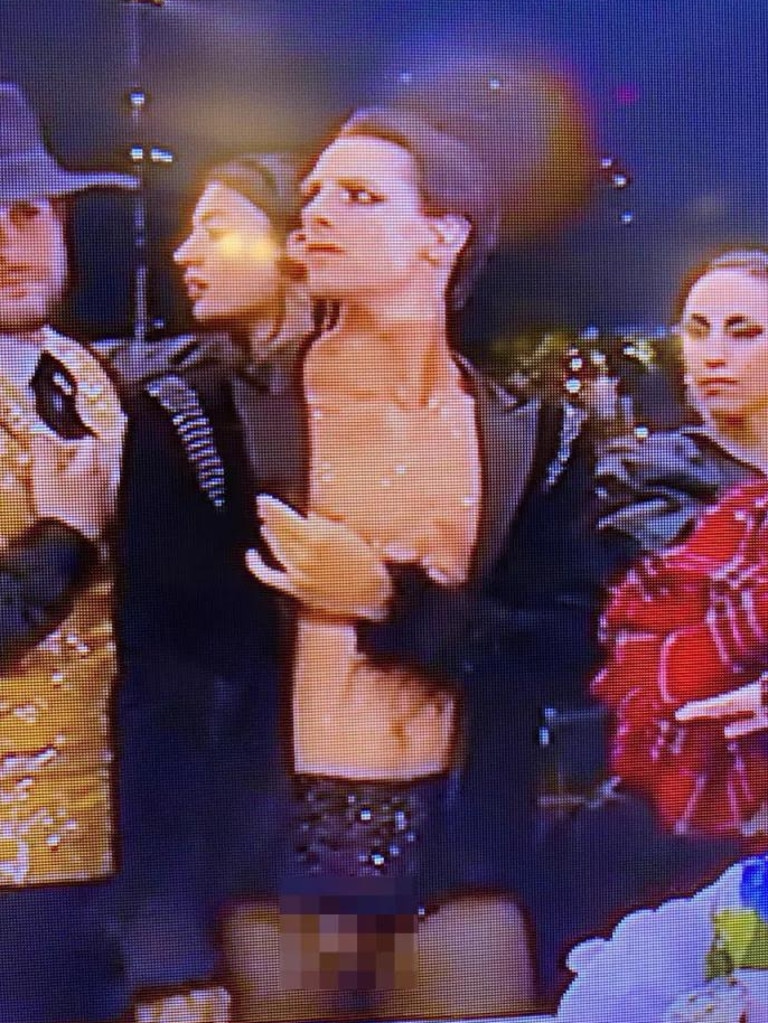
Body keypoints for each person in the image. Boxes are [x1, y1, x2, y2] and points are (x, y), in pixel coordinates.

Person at [204, 101, 634, 1020]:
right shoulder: (216, 421)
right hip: (268, 865)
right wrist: (162, 943)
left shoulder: (535, 437)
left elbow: (570, 651)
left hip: (458, 856)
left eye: (358, 196)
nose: (317, 213)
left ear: (444, 235)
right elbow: (159, 679)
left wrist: (387, 601)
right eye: (313, 194)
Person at [115, 151, 318, 1007]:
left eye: (218, 230)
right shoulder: (180, 414)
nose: (184, 253)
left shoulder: (432, 416)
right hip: (232, 839)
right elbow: (159, 679)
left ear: (300, 246)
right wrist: (167, 940)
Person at [0, 82, 139, 1023]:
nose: (8, 243)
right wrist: (63, 539)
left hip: (109, 850)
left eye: (25, 213)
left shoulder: (87, 378)